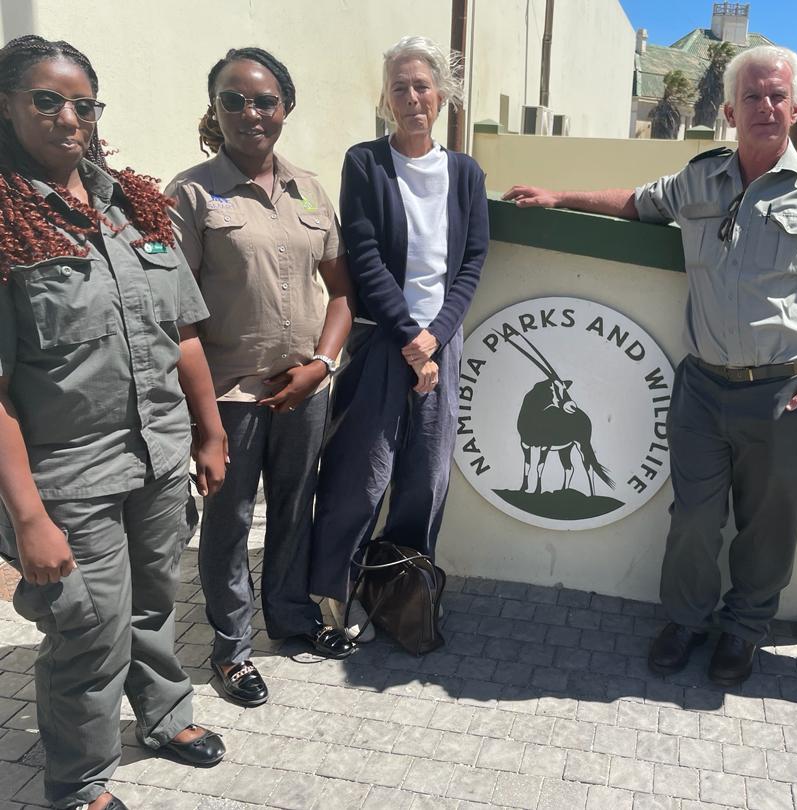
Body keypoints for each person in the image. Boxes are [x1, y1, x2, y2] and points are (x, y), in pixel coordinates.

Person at [504, 45, 797, 685]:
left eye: (777, 96)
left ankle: (744, 630)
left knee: (769, 523)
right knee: (694, 520)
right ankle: (685, 619)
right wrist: (557, 196)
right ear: (730, 109)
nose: (765, 107)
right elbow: (635, 202)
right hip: (702, 387)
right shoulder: (700, 179)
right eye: (752, 97)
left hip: (786, 388)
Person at [0, 35, 229, 810]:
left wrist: (209, 430)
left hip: (158, 455)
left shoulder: (135, 205)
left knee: (156, 602)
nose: (70, 118)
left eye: (83, 103)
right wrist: (28, 516)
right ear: (7, 106)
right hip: (67, 475)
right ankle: (79, 784)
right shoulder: (4, 223)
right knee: (88, 633)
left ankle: (164, 716)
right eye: (47, 100)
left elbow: (184, 332)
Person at [167, 47, 358, 707]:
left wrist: (321, 366)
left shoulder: (309, 187)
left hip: (303, 388)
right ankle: (231, 649)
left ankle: (292, 618)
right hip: (229, 393)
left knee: (294, 509)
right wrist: (202, 419)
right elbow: (177, 316)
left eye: (265, 101)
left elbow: (341, 292)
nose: (251, 113)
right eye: (234, 100)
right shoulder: (190, 192)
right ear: (215, 109)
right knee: (227, 521)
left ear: (286, 108)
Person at [310, 35, 489, 633]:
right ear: (386, 100)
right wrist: (411, 337)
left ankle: (401, 594)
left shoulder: (465, 173)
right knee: (361, 473)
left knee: (427, 477)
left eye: (421, 86)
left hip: (442, 343)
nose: (412, 98)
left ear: (442, 96)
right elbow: (363, 255)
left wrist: (436, 337)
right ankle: (329, 596)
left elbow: (471, 262)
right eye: (399, 88)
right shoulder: (365, 162)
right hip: (384, 342)